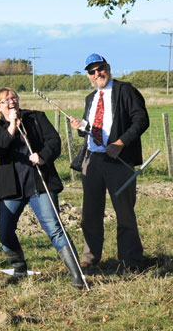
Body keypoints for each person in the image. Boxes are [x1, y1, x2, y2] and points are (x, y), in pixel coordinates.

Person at [0, 88, 84, 289]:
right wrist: (12, 125)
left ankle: (77, 275)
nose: (11, 101)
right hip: (11, 189)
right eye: (5, 100)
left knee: (54, 228)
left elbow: (54, 141)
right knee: (4, 232)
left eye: (13, 97)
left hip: (40, 184)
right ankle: (19, 267)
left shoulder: (36, 118)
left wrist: (42, 156)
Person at [69, 54, 149, 272]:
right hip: (92, 161)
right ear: (88, 75)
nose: (97, 74)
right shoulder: (90, 99)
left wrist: (120, 143)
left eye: (100, 69)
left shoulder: (125, 90)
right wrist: (81, 126)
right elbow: (92, 129)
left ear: (108, 68)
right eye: (92, 71)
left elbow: (141, 120)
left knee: (124, 212)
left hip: (119, 161)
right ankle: (90, 258)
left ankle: (130, 261)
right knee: (90, 214)